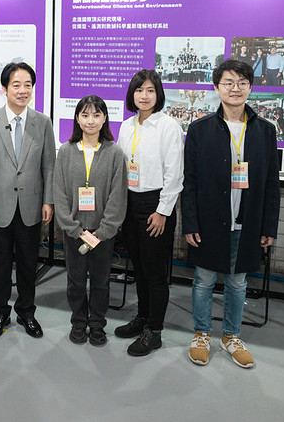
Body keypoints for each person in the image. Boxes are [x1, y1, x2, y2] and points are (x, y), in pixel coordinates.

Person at [182, 59, 280, 369]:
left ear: (250, 87)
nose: (235, 88)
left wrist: (269, 226)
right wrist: (190, 222)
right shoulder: (200, 129)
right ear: (216, 87)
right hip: (210, 220)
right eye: (228, 82)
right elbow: (190, 181)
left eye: (242, 83)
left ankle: (231, 336)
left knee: (238, 283)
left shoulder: (265, 131)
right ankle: (202, 334)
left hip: (247, 220)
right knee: (203, 280)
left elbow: (271, 183)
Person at [0, 62, 56, 340]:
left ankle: (26, 311)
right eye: (16, 85)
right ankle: (0, 312)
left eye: (27, 85)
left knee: (28, 263)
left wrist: (48, 200)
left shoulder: (42, 122)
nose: (22, 91)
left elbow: (49, 166)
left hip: (31, 205)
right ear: (5, 88)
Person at [115, 70, 184, 356]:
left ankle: (154, 331)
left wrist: (162, 211)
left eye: (150, 90)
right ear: (132, 94)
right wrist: (120, 210)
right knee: (139, 269)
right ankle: (142, 318)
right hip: (130, 203)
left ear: (158, 94)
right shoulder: (126, 126)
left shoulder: (169, 126)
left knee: (155, 273)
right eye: (139, 90)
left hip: (156, 205)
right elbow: (121, 170)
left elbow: (174, 174)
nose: (144, 96)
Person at [54, 96, 127, 347]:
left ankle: (97, 324)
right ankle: (78, 321)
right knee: (75, 281)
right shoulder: (65, 151)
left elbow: (118, 194)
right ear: (77, 118)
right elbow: (59, 192)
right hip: (74, 232)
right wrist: (72, 228)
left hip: (102, 233)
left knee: (100, 281)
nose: (90, 121)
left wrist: (104, 230)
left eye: (96, 115)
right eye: (85, 115)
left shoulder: (114, 153)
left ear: (105, 118)